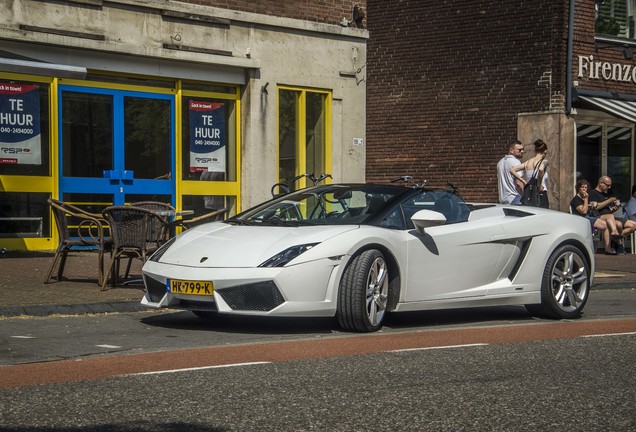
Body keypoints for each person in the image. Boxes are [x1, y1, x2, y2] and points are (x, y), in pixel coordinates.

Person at [589, 176, 636, 254]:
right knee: (618, 224)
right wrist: (609, 200)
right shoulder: (592, 193)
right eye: (607, 185)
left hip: (611, 217)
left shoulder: (607, 194)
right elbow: (596, 207)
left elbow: (609, 209)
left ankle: (614, 238)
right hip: (599, 216)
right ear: (601, 183)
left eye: (610, 185)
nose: (609, 187)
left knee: (633, 225)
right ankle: (619, 243)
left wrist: (616, 207)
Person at [570, 179, 612, 253]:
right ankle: (607, 248)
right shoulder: (576, 199)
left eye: (586, 187)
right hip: (581, 219)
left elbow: (587, 208)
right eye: (582, 187)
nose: (584, 189)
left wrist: (592, 205)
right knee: (605, 225)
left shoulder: (585, 198)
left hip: (589, 216)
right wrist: (586, 199)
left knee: (609, 219)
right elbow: (583, 211)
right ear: (578, 188)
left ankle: (608, 247)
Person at [510, 139, 549, 208]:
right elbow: (541, 169)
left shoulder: (528, 162)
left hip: (529, 194)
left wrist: (523, 180)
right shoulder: (544, 161)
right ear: (545, 151)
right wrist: (539, 184)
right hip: (541, 193)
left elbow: (512, 170)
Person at [497, 140, 524, 205]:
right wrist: (524, 196)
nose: (522, 151)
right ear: (511, 150)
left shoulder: (500, 162)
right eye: (519, 150)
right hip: (515, 198)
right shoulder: (516, 162)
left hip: (503, 199)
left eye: (523, 149)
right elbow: (518, 182)